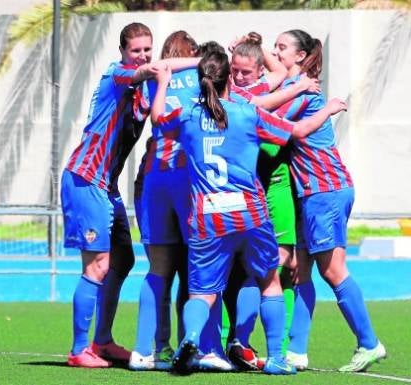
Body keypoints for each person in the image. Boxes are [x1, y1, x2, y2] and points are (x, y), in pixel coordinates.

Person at [150, 50, 345, 375]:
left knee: (202, 293)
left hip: (207, 216)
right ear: (229, 79)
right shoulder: (247, 114)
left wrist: (162, 83)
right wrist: (329, 109)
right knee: (269, 281)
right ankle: (276, 358)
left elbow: (157, 120)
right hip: (250, 213)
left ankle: (193, 337)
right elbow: (297, 131)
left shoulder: (186, 116)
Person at [61, 22, 198, 368]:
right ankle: (79, 350)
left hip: (107, 186)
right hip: (86, 178)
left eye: (147, 49)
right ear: (123, 52)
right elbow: (153, 70)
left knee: (123, 261)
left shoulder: (145, 87)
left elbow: (160, 74)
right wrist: (198, 61)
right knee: (99, 265)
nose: (143, 55)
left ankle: (103, 341)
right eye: (136, 50)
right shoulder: (117, 75)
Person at [271, 29, 386, 372]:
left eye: (281, 48)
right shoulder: (292, 88)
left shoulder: (303, 92)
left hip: (325, 190)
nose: (274, 53)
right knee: (300, 271)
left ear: (301, 56)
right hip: (310, 193)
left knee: (333, 271)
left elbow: (280, 125)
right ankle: (296, 351)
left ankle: (369, 342)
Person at [224, 32, 321, 371]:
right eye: (234, 70)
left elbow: (275, 74)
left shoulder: (272, 87)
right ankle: (239, 340)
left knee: (287, 266)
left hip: (278, 187)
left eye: (282, 48)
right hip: (251, 191)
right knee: (256, 270)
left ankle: (288, 348)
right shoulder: (241, 95)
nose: (238, 76)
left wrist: (255, 46)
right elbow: (283, 128)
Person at [129, 30, 199, 371]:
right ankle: (195, 346)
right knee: (193, 271)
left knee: (157, 270)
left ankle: (147, 349)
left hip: (154, 177)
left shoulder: (153, 77)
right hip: (187, 178)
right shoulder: (203, 77)